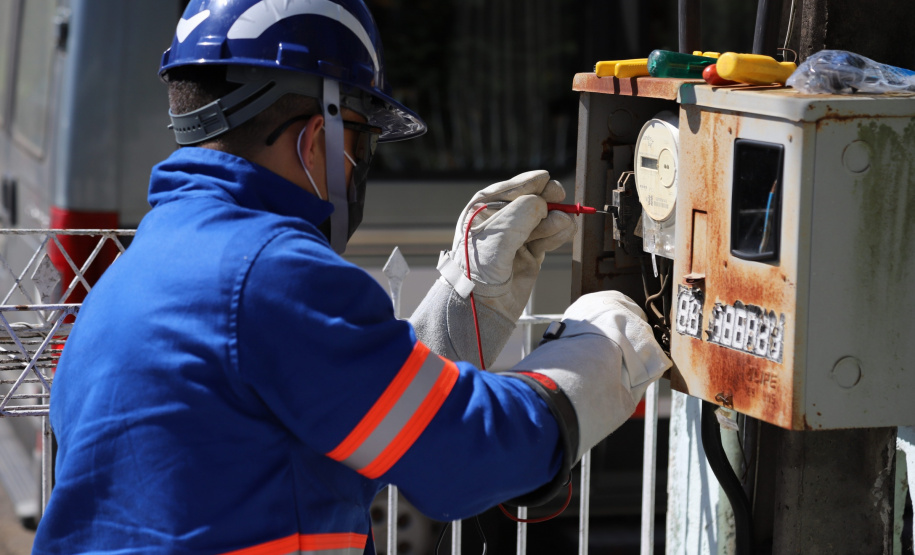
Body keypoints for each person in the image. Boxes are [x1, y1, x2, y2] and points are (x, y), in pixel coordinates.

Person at [32, 1, 671, 553]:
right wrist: (600, 352)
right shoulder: (271, 272)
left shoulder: (139, 272)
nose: (360, 164)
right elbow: (465, 460)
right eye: (362, 141)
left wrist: (464, 303)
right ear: (318, 137)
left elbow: (330, 421)